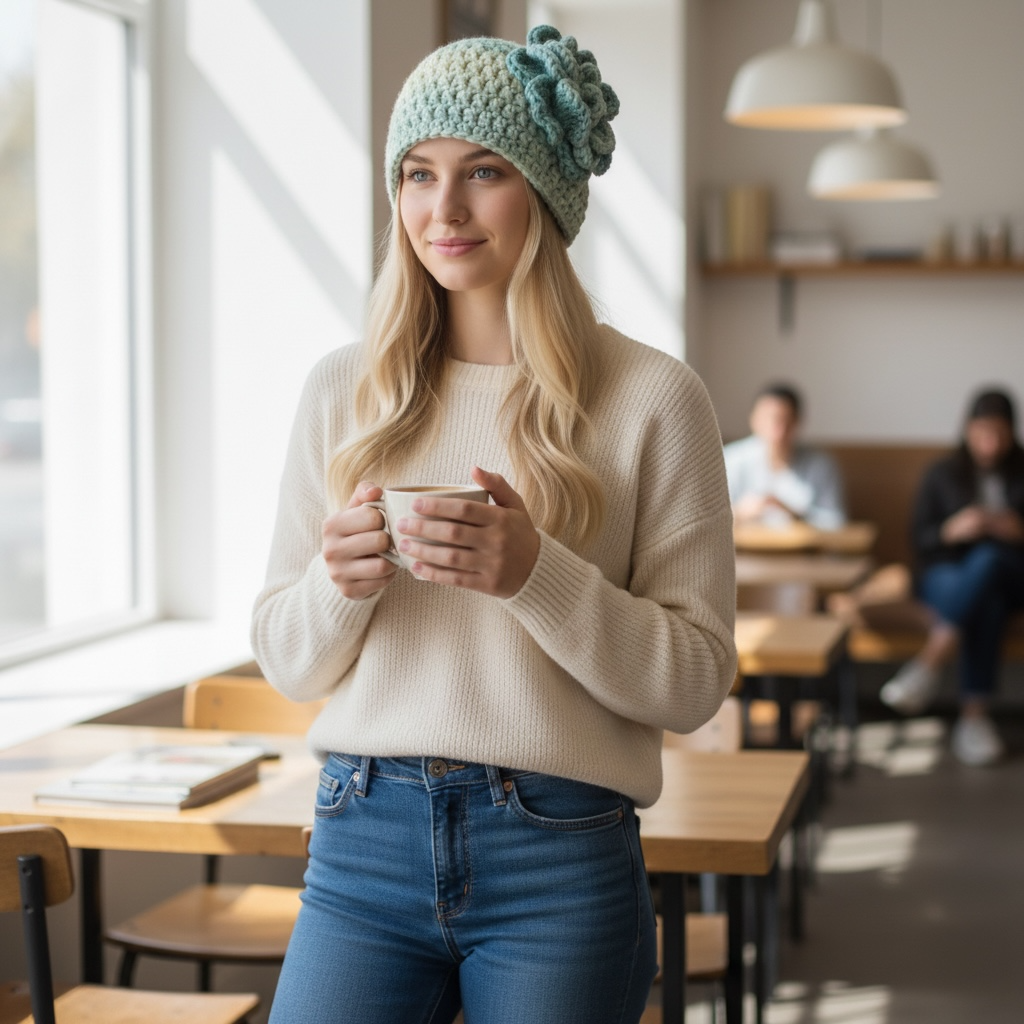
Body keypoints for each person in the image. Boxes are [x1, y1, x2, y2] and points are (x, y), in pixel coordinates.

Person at [250, 25, 737, 1024]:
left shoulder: (653, 397)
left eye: (483, 172)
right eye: (418, 175)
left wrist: (535, 575)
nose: (444, 209)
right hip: (359, 838)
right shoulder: (344, 389)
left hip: (557, 855)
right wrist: (333, 592)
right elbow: (288, 663)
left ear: (546, 195)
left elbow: (694, 682)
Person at [880, 388, 1024, 766]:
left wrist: (1017, 530)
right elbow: (919, 539)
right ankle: (974, 721)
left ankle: (930, 661)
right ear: (967, 429)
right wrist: (952, 530)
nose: (990, 444)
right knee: (985, 600)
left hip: (1013, 575)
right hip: (947, 573)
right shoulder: (941, 472)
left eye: (999, 434)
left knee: (991, 559)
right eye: (982, 433)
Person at [724, 382, 846, 529]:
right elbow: (708, 518)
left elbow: (836, 523)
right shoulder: (730, 459)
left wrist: (794, 515)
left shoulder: (821, 465)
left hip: (806, 550)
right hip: (740, 550)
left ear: (798, 422)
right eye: (770, 419)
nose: (778, 432)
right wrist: (740, 513)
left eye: (786, 421)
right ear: (754, 419)